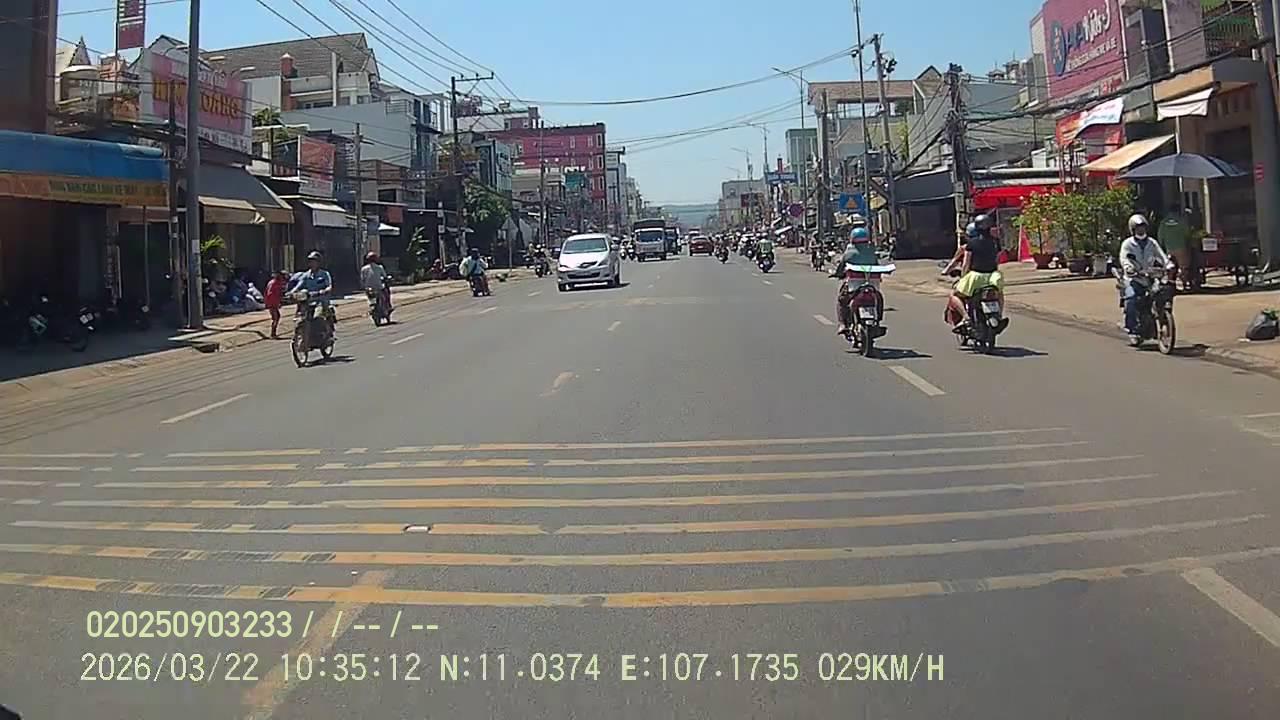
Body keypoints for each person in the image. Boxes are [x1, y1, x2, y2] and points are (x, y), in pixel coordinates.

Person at [1119, 213, 1172, 345]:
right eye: (1138, 228)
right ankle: (1132, 329)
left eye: (1143, 227)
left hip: (1150, 277)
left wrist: (1168, 265)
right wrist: (1129, 268)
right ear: (1132, 229)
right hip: (1134, 279)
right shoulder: (1128, 244)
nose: (1141, 230)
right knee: (1131, 299)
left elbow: (1161, 255)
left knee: (1162, 293)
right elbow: (1124, 258)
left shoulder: (1151, 242)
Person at [944, 214, 1003, 330]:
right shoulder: (995, 242)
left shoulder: (972, 243)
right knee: (999, 294)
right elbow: (997, 259)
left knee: (954, 294)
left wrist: (963, 278)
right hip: (993, 276)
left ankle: (966, 317)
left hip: (976, 277)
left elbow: (966, 263)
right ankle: (999, 315)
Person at [834, 227, 883, 335]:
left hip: (854, 286)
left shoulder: (849, 252)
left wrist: (838, 274)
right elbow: (877, 265)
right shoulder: (872, 251)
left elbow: (841, 268)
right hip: (872, 285)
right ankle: (878, 322)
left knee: (841, 300)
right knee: (879, 298)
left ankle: (842, 324)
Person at [286, 250, 335, 333]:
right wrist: (291, 293)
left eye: (314, 261)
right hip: (307, 301)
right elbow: (299, 285)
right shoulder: (306, 275)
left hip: (320, 301)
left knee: (318, 317)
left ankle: (325, 333)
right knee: (300, 317)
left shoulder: (324, 274)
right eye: (310, 261)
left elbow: (329, 286)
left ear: (319, 263)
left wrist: (325, 291)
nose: (312, 263)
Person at [1159, 203, 1195, 290]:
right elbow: (1187, 234)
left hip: (1169, 248)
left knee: (1171, 267)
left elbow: (1160, 236)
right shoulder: (1181, 221)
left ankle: (1172, 285)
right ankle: (1184, 284)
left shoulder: (1164, 222)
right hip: (1181, 248)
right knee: (1183, 268)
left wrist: (1162, 245)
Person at [264, 270, 287, 338]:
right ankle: (273, 333)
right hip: (272, 303)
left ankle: (273, 332)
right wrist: (276, 302)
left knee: (277, 317)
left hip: (272, 302)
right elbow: (270, 294)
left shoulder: (274, 282)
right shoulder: (274, 283)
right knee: (276, 317)